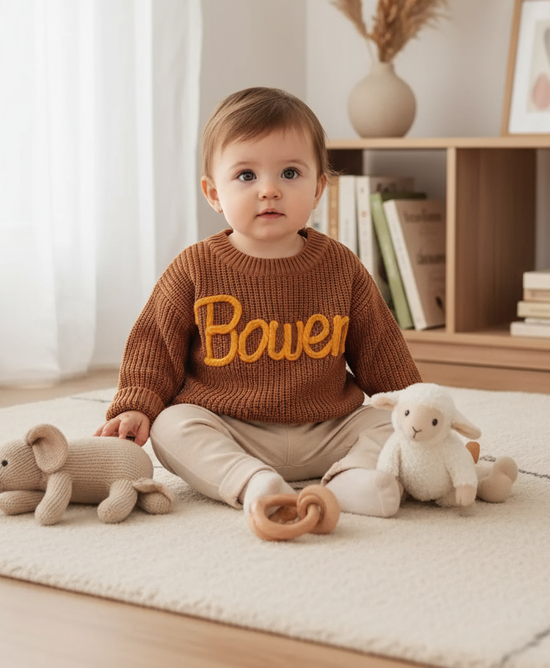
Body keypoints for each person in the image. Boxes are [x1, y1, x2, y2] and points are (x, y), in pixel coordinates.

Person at [94, 87, 422, 519]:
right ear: (213, 193)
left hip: (328, 429)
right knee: (172, 425)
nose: (269, 190)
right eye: (247, 176)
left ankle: (351, 479)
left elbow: (381, 349)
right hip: (230, 428)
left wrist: (419, 409)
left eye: (290, 173)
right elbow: (155, 346)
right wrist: (137, 404)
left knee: (387, 424)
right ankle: (252, 482)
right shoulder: (195, 267)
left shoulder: (341, 266)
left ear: (319, 187)